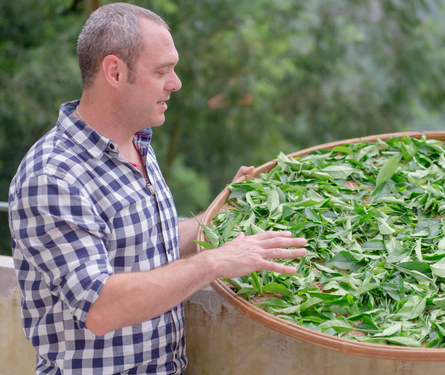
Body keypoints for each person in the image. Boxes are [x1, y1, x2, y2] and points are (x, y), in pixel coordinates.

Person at [8, 3, 307, 374]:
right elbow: (100, 307)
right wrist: (216, 261)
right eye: (162, 71)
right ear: (115, 71)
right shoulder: (52, 176)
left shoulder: (136, 146)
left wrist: (228, 212)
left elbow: (148, 243)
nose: (176, 82)